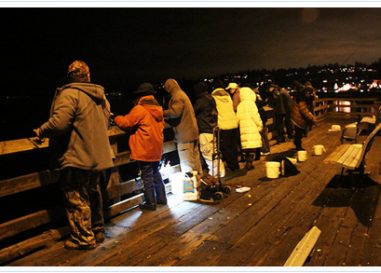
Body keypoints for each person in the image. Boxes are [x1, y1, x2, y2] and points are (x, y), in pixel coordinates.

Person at [33, 60, 114, 250]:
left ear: (70, 76)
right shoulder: (101, 97)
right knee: (94, 193)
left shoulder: (69, 94)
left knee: (76, 196)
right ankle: (98, 230)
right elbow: (106, 123)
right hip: (98, 156)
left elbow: (59, 123)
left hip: (78, 155)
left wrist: (41, 130)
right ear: (88, 75)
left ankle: (83, 238)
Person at [114, 83, 167, 211]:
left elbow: (126, 123)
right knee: (155, 173)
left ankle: (150, 202)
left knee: (147, 176)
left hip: (145, 148)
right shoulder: (158, 110)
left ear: (140, 97)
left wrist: (116, 118)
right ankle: (162, 198)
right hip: (156, 148)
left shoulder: (140, 109)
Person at [163, 78, 203, 176]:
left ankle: (190, 189)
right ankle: (200, 184)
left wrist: (161, 112)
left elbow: (175, 113)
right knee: (196, 161)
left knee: (187, 166)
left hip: (184, 136)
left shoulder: (177, 97)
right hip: (192, 133)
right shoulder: (183, 94)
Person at [211, 79, 244, 179]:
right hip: (233, 123)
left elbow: (214, 111)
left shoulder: (214, 96)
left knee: (225, 147)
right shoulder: (227, 95)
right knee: (233, 146)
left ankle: (231, 166)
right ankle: (235, 165)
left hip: (223, 125)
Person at [193, 82, 225, 178]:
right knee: (214, 152)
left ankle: (214, 175)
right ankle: (221, 172)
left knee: (208, 153)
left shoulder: (201, 101)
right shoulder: (211, 99)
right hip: (212, 129)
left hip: (204, 130)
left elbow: (192, 111)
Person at [236, 87, 263, 170]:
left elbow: (237, 118)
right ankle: (250, 162)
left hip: (243, 129)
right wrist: (260, 125)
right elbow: (256, 116)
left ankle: (247, 161)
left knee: (246, 148)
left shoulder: (240, 105)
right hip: (252, 128)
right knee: (252, 148)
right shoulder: (251, 104)